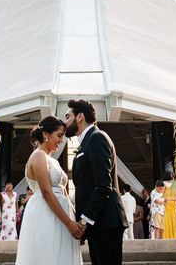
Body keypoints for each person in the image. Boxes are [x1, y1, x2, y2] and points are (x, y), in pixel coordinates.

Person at [65, 99, 128, 265]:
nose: (66, 122)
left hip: (106, 222)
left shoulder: (97, 138)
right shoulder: (88, 141)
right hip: (98, 224)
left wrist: (84, 222)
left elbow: (103, 186)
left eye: (68, 117)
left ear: (80, 117)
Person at [15, 116, 83, 265]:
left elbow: (62, 191)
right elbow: (46, 191)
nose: (61, 140)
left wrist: (75, 221)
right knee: (47, 256)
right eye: (59, 135)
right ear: (46, 134)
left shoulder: (52, 160)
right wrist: (69, 223)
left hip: (62, 215)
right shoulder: (39, 155)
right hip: (45, 213)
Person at [163, 171, 176, 239]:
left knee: (175, 222)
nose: (173, 176)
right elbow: (161, 195)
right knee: (168, 222)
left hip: (174, 206)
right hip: (167, 206)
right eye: (172, 175)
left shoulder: (175, 184)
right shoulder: (164, 184)